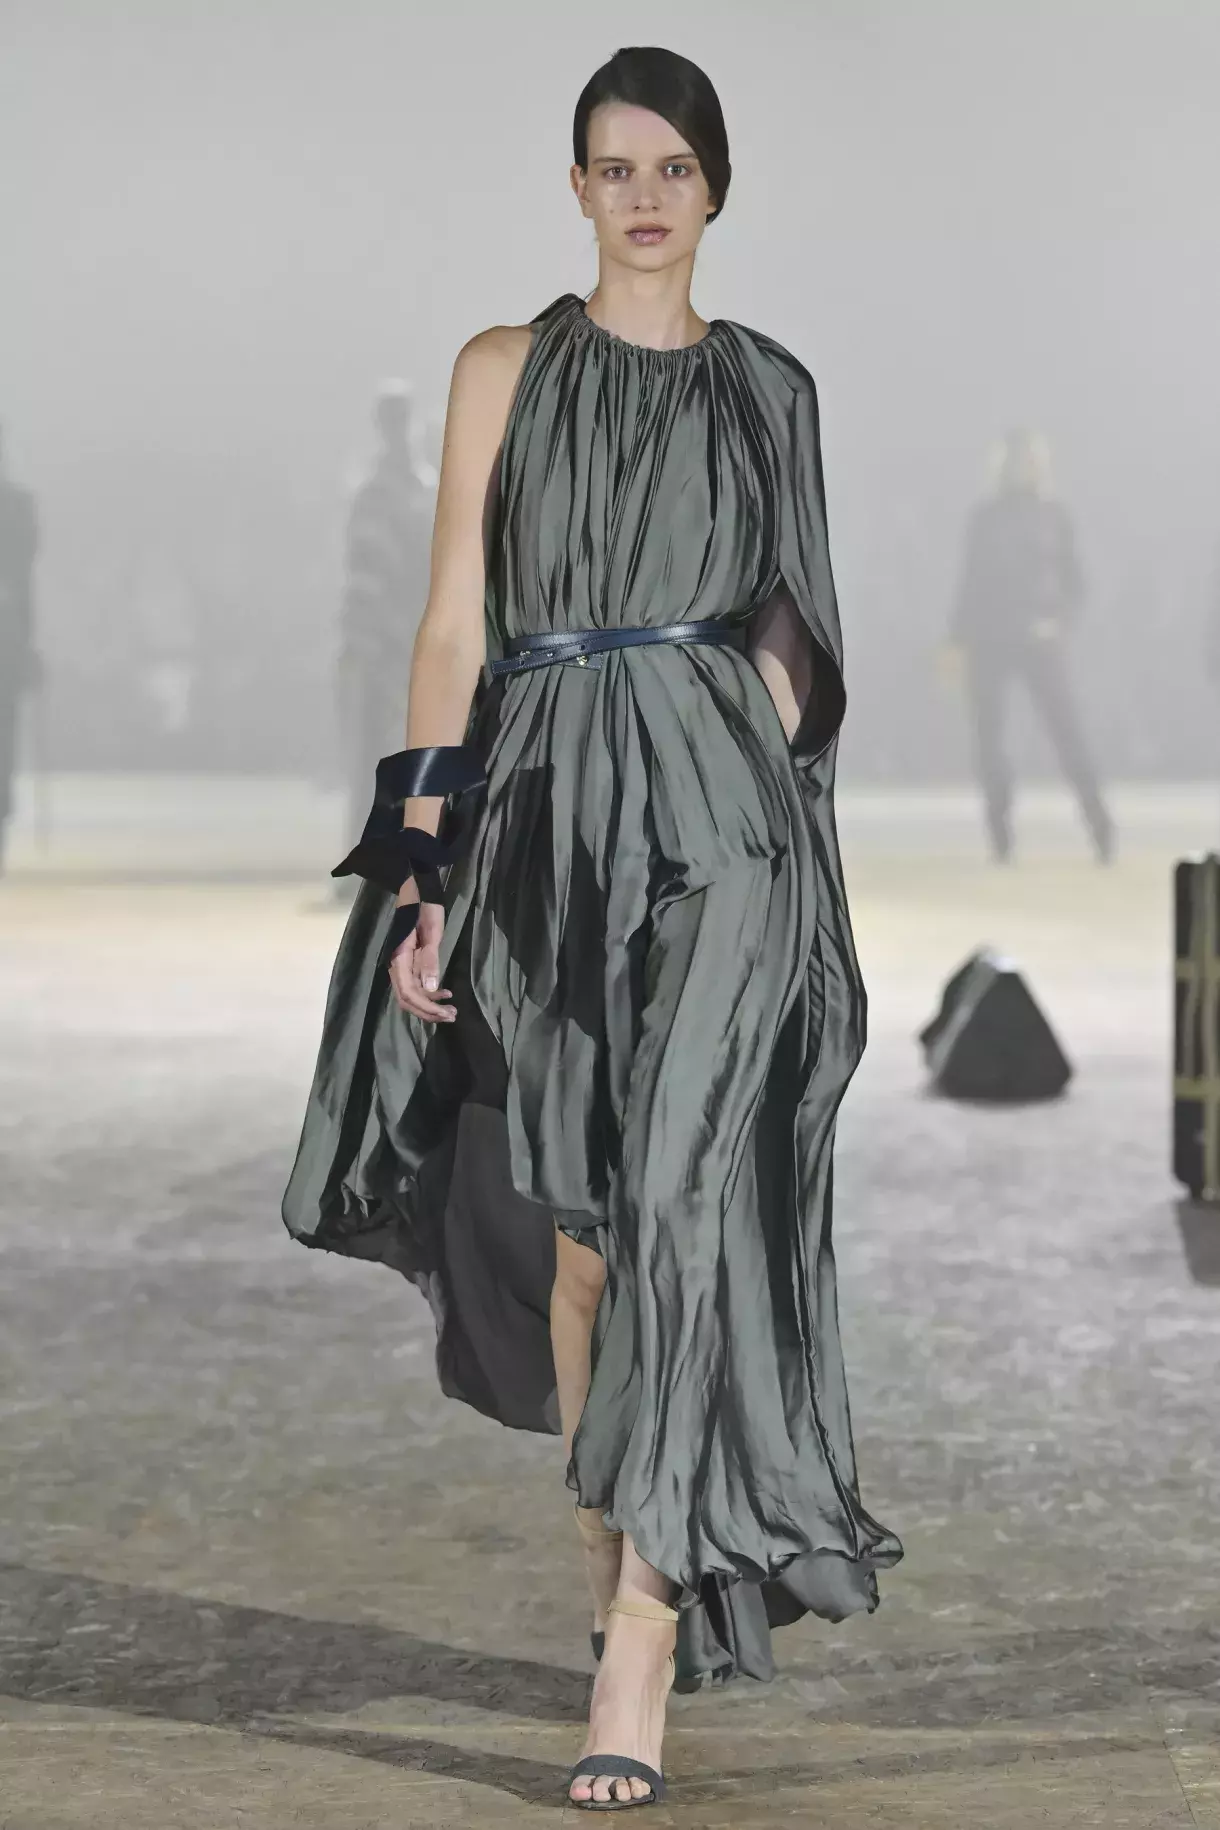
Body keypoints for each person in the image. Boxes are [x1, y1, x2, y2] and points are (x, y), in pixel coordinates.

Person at [283, 45, 902, 1812]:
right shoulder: (505, 368)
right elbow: (450, 626)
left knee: (685, 1206)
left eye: (673, 168)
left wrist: (749, 760)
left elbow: (797, 628)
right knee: (586, 1250)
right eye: (615, 167)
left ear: (717, 189)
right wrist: (424, 870)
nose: (645, 196)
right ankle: (609, 1540)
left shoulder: (769, 388)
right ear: (576, 189)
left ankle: (639, 1642)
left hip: (724, 839)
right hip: (551, 826)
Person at [943, 427, 1114, 863]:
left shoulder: (1054, 516)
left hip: (1040, 640)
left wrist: (1059, 623)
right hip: (989, 639)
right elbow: (970, 583)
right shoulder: (986, 518)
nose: (1025, 467)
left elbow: (1076, 582)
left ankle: (1101, 826)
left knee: (1068, 733)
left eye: (1031, 459)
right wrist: (956, 640)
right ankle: (1000, 836)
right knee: (989, 740)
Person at [334, 382, 434, 874]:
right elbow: (365, 579)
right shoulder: (379, 495)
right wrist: (364, 644)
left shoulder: (425, 489)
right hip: (387, 644)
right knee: (378, 753)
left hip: (421, 640)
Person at [0, 423, 40, 874]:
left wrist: (27, 646)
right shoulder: (18, 507)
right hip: (8, 640)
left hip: (5, 644)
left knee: (3, 744)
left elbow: (23, 586)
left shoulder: (17, 508)